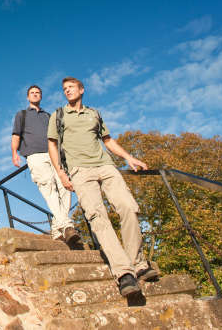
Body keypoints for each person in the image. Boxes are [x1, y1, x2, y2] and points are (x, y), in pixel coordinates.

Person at [47, 77, 159, 297]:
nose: (67, 91)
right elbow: (51, 144)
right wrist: (61, 172)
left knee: (129, 207)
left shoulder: (94, 114)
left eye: (71, 87)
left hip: (106, 166)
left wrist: (129, 157)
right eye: (64, 89)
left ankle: (138, 263)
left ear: (82, 89)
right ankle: (124, 273)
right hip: (80, 171)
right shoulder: (58, 115)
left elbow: (107, 140)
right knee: (98, 217)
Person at [12, 85, 79, 243]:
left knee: (65, 187)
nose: (35, 95)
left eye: (38, 93)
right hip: (35, 155)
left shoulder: (49, 115)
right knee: (48, 187)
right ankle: (67, 225)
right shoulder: (21, 114)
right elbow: (16, 134)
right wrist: (14, 153)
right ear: (28, 97)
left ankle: (58, 229)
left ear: (41, 96)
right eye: (32, 93)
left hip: (54, 154)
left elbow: (58, 136)